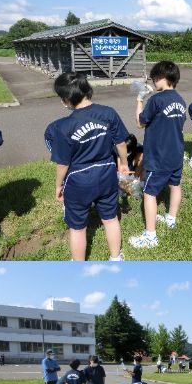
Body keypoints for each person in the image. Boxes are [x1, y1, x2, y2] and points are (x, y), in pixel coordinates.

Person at [50, 72, 129, 261]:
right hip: (107, 172)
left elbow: (63, 163)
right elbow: (121, 143)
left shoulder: (64, 126)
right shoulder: (108, 112)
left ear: (67, 99)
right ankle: (116, 258)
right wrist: (124, 163)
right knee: (110, 219)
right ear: (88, 90)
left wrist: (58, 185)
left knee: (77, 228)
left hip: (79, 178)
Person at [128, 61, 187, 249]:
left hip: (159, 156)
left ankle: (150, 236)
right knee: (175, 185)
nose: (153, 83)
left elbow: (140, 123)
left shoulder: (157, 99)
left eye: (154, 79)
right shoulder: (180, 99)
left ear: (161, 77)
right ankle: (171, 218)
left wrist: (139, 99)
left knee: (149, 192)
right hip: (177, 153)